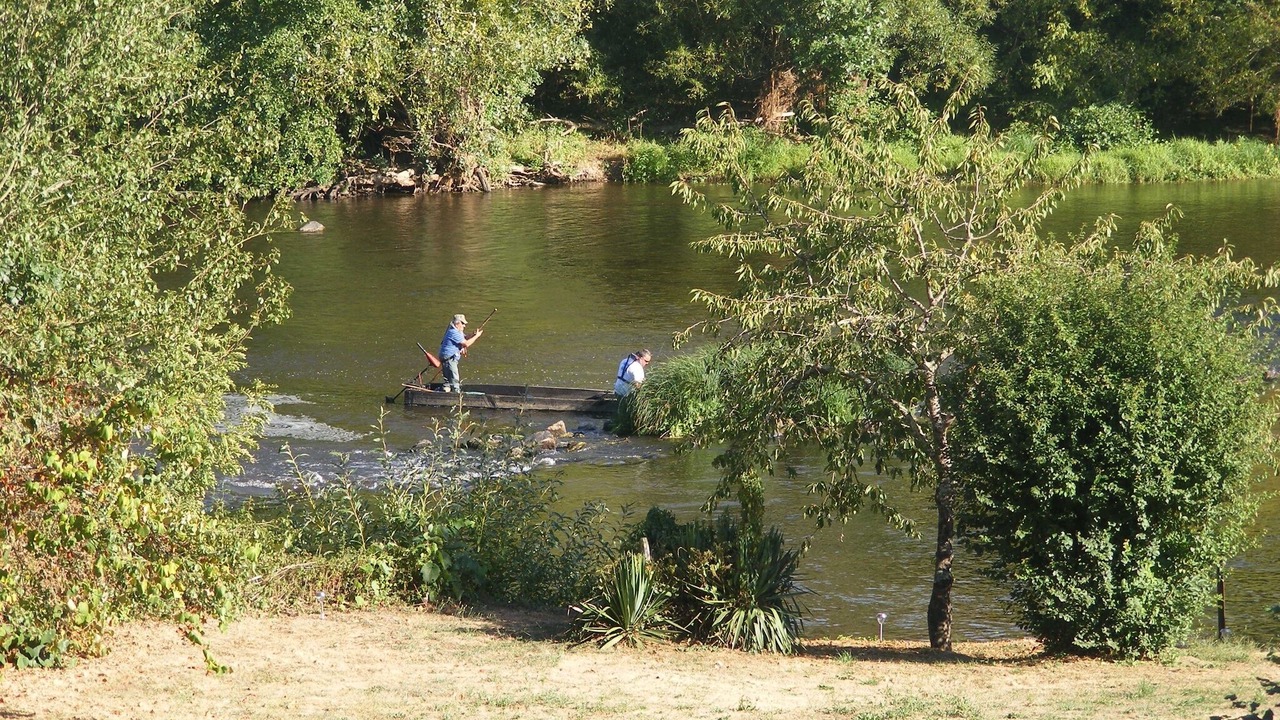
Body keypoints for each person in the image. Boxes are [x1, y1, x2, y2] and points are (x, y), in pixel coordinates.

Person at [438, 313, 483, 392]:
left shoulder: (457, 331)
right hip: (449, 359)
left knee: (448, 381)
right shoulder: (453, 332)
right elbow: (466, 343)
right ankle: (456, 395)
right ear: (457, 323)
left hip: (448, 359)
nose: (464, 325)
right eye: (463, 323)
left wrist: (473, 334)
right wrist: (477, 336)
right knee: (454, 379)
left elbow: (464, 338)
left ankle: (446, 391)